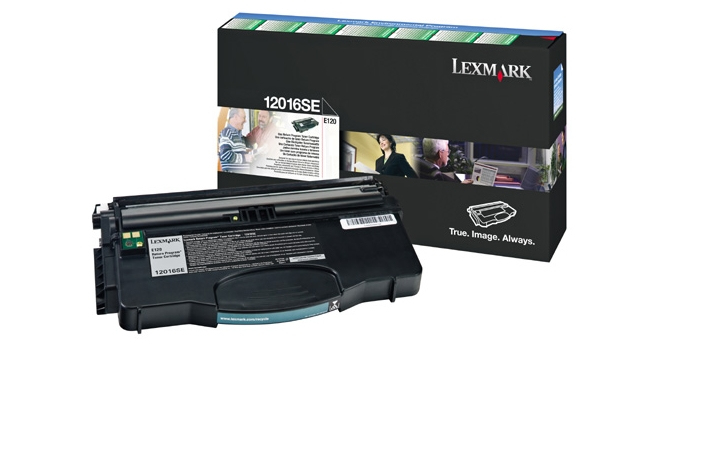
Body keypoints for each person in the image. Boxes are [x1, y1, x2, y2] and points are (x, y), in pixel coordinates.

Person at [218, 108, 251, 172]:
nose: (245, 121)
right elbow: (225, 154)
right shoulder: (226, 132)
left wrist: (246, 152)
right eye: (244, 117)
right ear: (235, 117)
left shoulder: (240, 136)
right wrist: (244, 158)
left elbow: (237, 153)